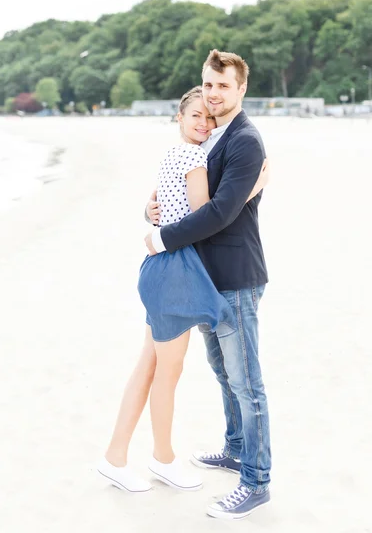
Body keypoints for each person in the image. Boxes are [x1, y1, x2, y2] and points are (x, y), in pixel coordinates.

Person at [97, 86, 267, 494]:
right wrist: (250, 189)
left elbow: (166, 206)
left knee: (149, 367)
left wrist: (149, 216)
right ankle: (162, 459)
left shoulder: (173, 153)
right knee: (167, 372)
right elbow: (207, 214)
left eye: (207, 119)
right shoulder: (194, 156)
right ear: (179, 118)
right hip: (175, 270)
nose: (204, 124)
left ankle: (115, 458)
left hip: (162, 267)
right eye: (196, 116)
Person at [144, 49, 271, 520]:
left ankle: (256, 481)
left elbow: (218, 213)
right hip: (205, 277)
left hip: (236, 278)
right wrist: (151, 213)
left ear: (241, 89)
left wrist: (160, 239)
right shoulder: (212, 136)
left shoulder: (245, 142)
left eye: (223, 86)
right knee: (223, 374)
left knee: (247, 383)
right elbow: (179, 195)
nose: (214, 94)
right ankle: (236, 449)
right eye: (208, 85)